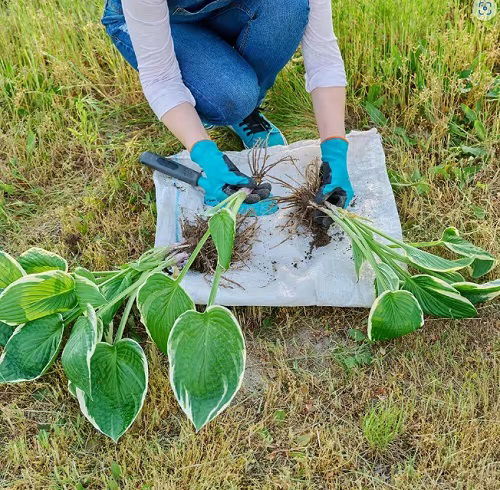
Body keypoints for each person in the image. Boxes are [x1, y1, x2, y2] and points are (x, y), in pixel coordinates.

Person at [101, 0, 354, 216]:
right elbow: (161, 78)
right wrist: (207, 157)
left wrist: (335, 151)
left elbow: (323, 56)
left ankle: (243, 107)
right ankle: (227, 102)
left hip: (226, 10)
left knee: (289, 6)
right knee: (231, 96)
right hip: (162, 22)